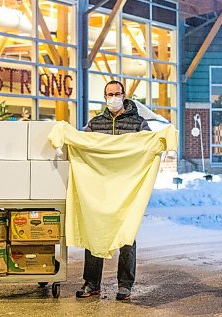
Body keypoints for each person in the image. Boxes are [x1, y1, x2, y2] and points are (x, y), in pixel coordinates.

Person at [76, 80, 150, 301]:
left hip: (127, 191)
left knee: (127, 237)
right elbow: (81, 143)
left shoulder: (139, 124)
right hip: (100, 189)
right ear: (105, 97)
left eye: (118, 93)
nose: (114, 97)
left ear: (124, 95)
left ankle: (125, 285)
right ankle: (92, 283)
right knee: (95, 235)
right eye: (110, 94)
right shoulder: (96, 124)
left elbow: (149, 146)